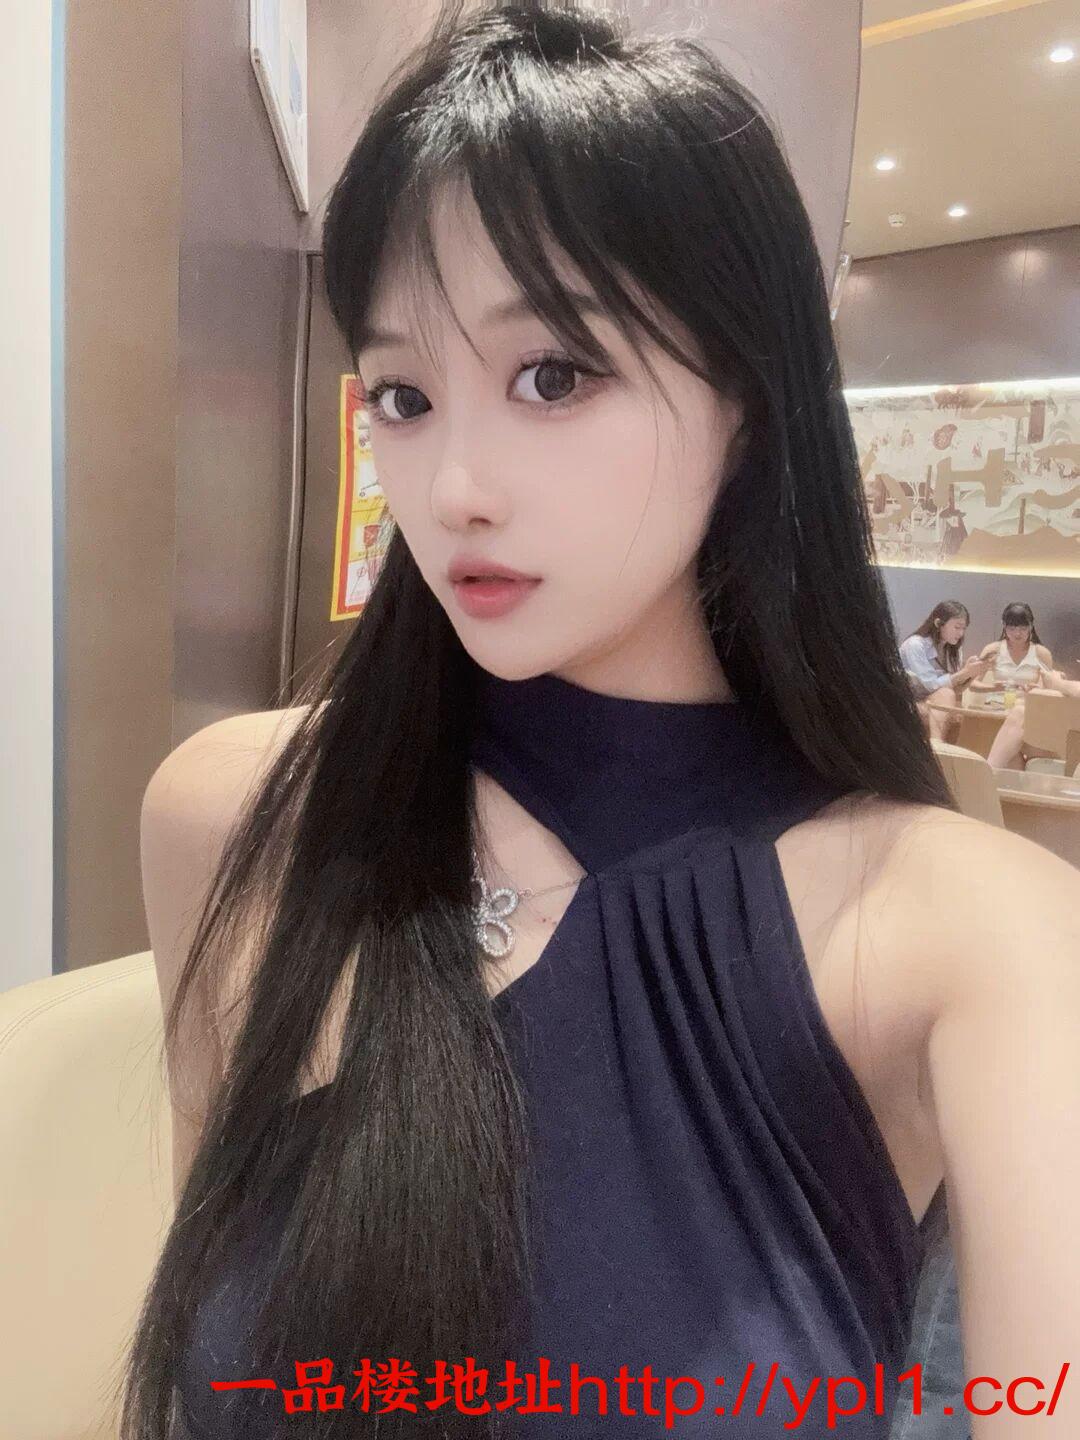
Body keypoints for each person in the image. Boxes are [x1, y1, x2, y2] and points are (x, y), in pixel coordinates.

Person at [118, 7, 1080, 1440]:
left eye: (553, 376)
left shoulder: (965, 930)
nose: (453, 488)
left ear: (748, 396)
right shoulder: (239, 814)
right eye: (405, 394)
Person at [898, 601, 991, 742]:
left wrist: (972, 673)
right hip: (907, 701)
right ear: (938, 623)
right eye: (957, 627)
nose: (961, 633)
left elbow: (955, 689)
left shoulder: (953, 649)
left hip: (934, 699)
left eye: (964, 628)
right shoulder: (915, 645)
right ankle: (937, 744)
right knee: (947, 697)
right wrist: (965, 673)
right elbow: (931, 686)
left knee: (952, 702)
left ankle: (940, 746)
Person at [976, 602, 1053, 690]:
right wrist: (994, 688)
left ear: (1031, 626)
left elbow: (1051, 688)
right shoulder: (992, 650)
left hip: (1030, 698)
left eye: (1023, 629)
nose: (1017, 634)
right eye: (1012, 629)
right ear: (1004, 626)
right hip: (998, 698)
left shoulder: (1042, 653)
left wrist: (1035, 689)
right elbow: (973, 684)